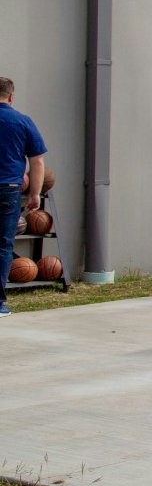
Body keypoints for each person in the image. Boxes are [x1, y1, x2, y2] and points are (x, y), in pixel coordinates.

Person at [0, 77, 48, 318]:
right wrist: (35, 193)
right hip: (8, 189)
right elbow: (37, 161)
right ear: (11, 96)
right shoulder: (22, 121)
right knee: (2, 245)